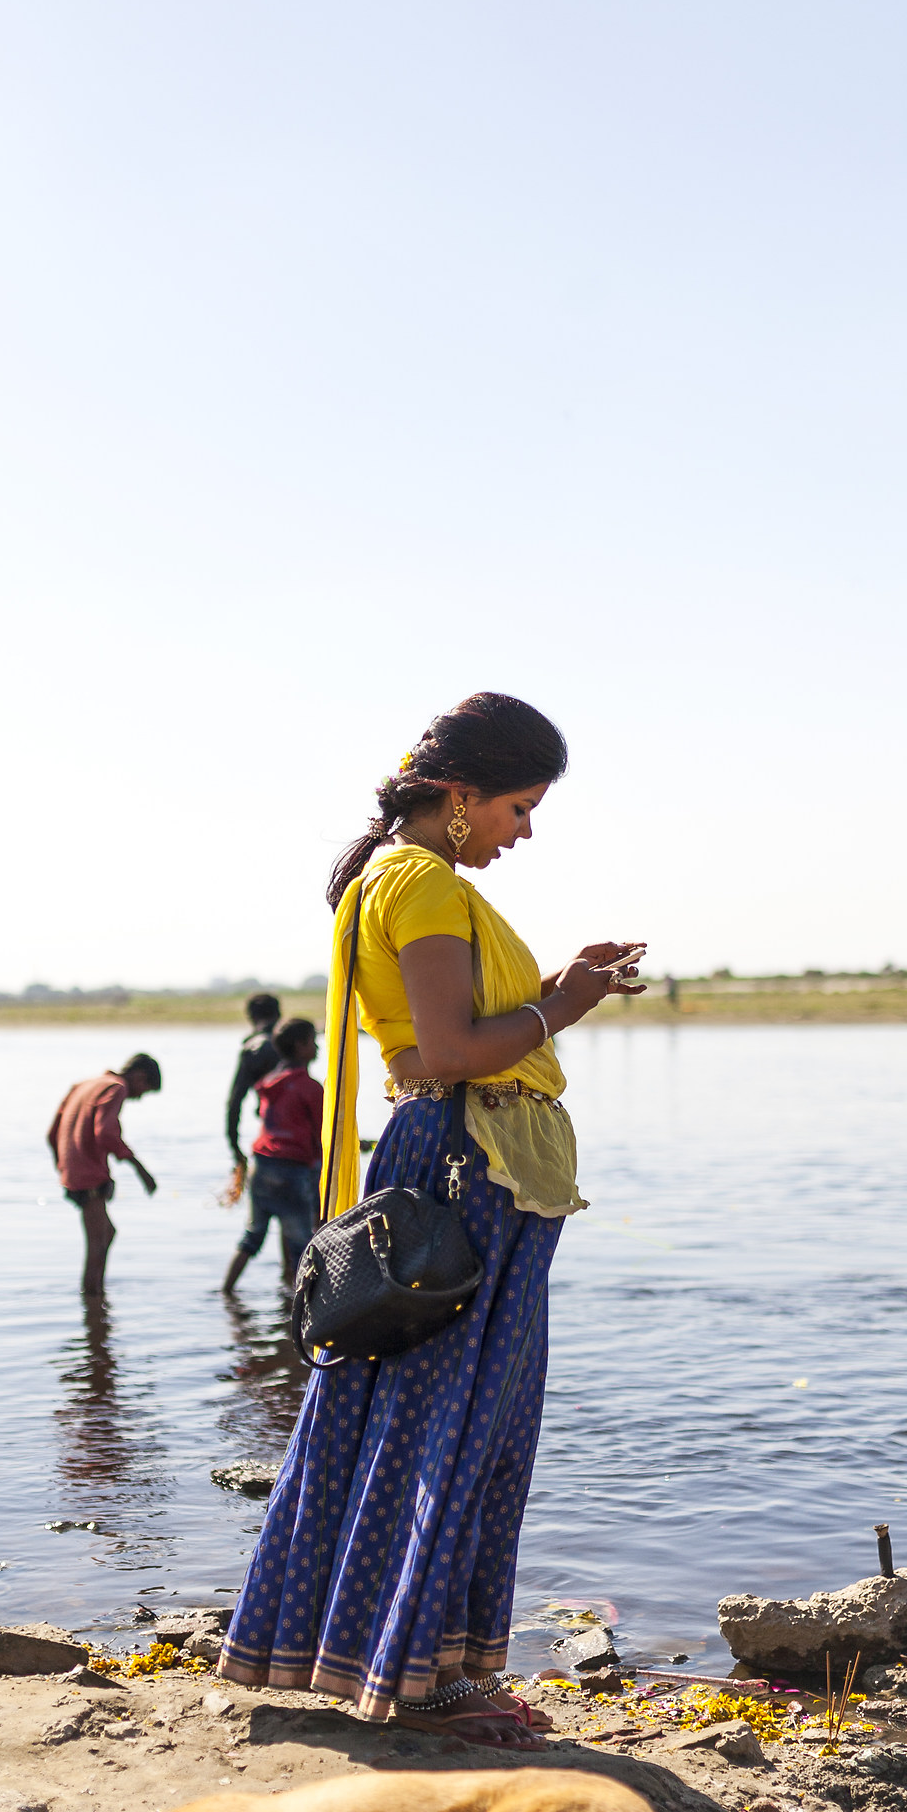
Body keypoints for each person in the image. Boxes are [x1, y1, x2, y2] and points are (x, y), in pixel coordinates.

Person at [217, 691, 645, 1748]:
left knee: (426, 1417)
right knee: (456, 1424)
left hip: (467, 1157)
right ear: (458, 797)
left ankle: (381, 1656)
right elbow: (447, 1053)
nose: (525, 830)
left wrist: (555, 985)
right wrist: (567, 1007)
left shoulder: (413, 881)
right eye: (518, 807)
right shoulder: (419, 881)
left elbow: (447, 1031)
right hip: (467, 1160)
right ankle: (425, 1677)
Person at [46, 1054, 161, 1297]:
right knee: (97, 1244)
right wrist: (140, 1169)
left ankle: (97, 1308)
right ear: (139, 1076)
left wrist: (64, 1167)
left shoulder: (85, 1085)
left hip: (75, 1171)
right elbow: (106, 1133)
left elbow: (51, 1133)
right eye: (144, 1091)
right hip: (88, 1175)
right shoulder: (116, 1087)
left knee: (107, 1233)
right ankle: (93, 1302)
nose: (139, 1098)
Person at [223, 1018, 323, 1293]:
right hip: (293, 1171)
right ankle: (300, 1309)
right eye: (313, 1041)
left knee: (252, 1236)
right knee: (303, 1245)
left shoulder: (269, 1083)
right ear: (300, 1046)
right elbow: (321, 1134)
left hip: (262, 1166)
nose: (317, 1047)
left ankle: (225, 1292)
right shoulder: (310, 1088)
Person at [221, 994, 282, 1209]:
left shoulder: (253, 1048)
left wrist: (234, 1146)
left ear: (250, 1017)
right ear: (279, 1014)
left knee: (257, 1226)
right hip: (305, 1143)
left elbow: (234, 1101)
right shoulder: (292, 1042)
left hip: (272, 1139)